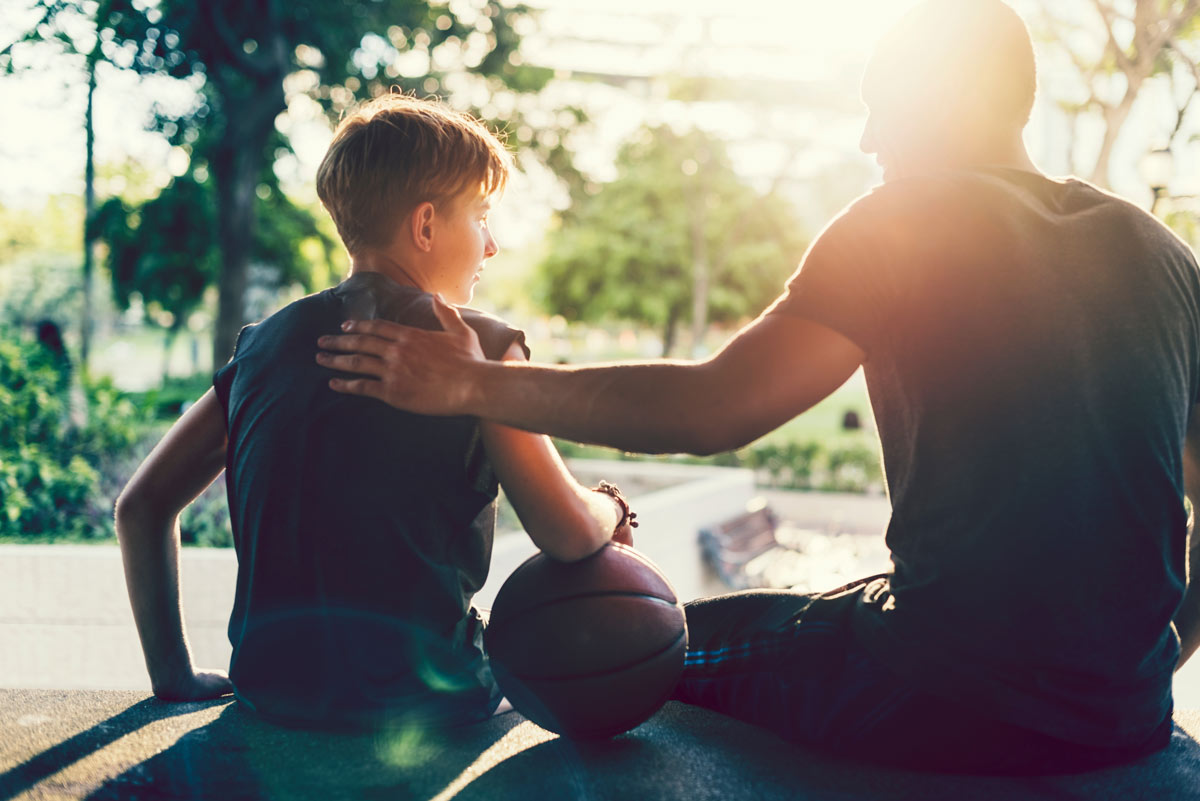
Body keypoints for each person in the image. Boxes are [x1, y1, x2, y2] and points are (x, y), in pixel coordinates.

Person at [315, 0, 1200, 773]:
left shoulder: (906, 219)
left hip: (939, 690)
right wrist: (1149, 665)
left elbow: (714, 405)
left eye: (880, 109)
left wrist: (473, 385)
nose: (867, 140)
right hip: (1127, 717)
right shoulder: (1161, 255)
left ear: (943, 98)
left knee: (639, 638)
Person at [114, 93, 633, 730]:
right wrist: (612, 506)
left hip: (269, 696)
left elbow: (140, 508)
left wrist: (174, 677)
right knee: (617, 612)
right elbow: (568, 534)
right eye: (481, 216)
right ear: (425, 226)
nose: (492, 245)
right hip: (425, 703)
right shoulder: (483, 349)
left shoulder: (261, 348)